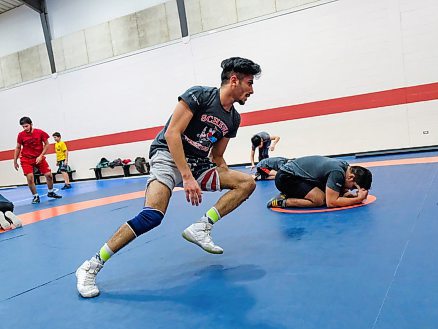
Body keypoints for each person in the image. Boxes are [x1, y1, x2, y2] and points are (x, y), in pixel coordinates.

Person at [76, 57, 262, 298]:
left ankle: (201, 227)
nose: (252, 90)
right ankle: (91, 266)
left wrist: (228, 180)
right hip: (167, 155)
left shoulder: (233, 119)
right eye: (249, 83)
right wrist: (186, 176)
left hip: (198, 164)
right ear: (234, 80)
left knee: (246, 183)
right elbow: (173, 133)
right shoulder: (199, 96)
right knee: (151, 216)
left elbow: (217, 156)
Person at [266, 156, 372, 208]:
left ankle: (289, 193)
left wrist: (349, 195)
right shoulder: (337, 172)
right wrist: (358, 199)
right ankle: (281, 202)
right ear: (351, 177)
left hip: (299, 176)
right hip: (285, 177)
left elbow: (340, 187)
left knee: (333, 192)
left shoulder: (345, 166)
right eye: (353, 187)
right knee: (320, 200)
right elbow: (331, 202)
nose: (350, 189)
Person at [14, 117, 62, 204]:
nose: (25, 128)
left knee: (49, 175)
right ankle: (35, 196)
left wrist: (41, 156)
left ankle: (51, 192)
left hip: (39, 157)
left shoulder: (40, 132)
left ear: (31, 124)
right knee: (30, 178)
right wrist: (15, 161)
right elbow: (18, 147)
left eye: (26, 126)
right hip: (26, 159)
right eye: (23, 127)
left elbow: (47, 144)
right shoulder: (21, 135)